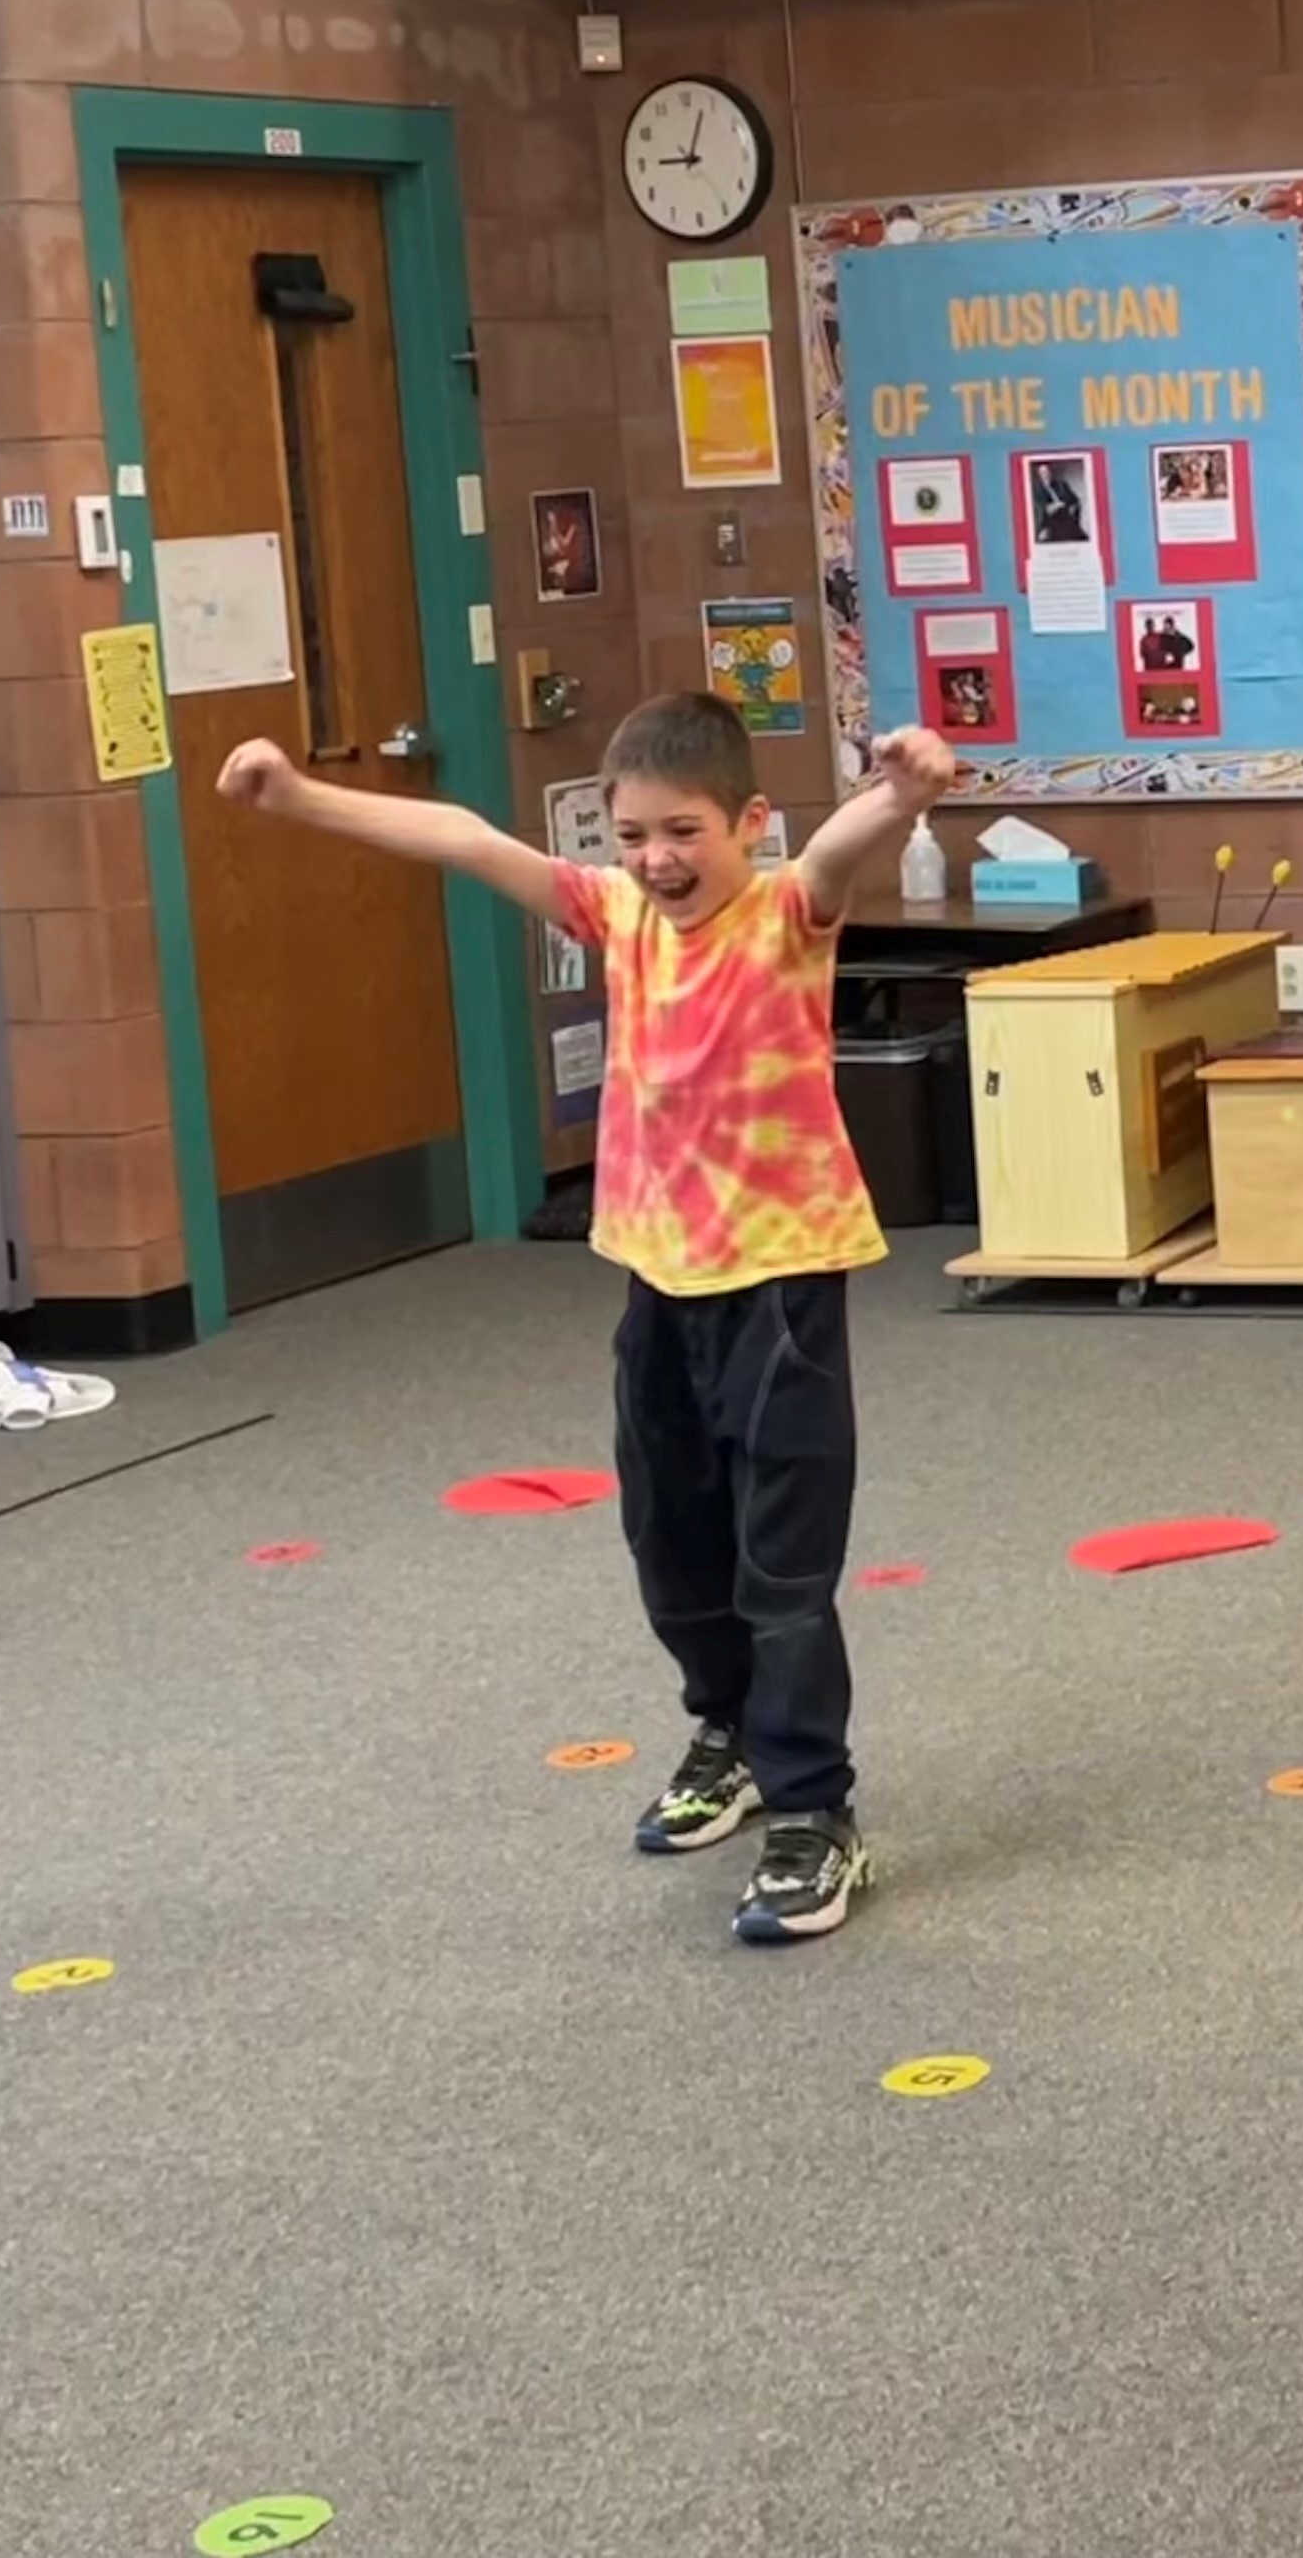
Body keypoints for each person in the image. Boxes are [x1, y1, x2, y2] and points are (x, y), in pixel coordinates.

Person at [217, 694, 957, 1945]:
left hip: (778, 1285)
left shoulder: (786, 914)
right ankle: (724, 1733)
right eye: (631, 836)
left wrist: (907, 791)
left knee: (781, 1563)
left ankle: (813, 1815)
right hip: (656, 1281)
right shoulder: (612, 915)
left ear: (749, 824)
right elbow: (461, 837)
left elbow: (842, 851)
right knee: (672, 1545)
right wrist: (295, 798)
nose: (658, 860)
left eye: (686, 833)